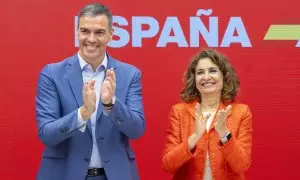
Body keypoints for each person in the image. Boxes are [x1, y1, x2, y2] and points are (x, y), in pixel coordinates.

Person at [36, 3, 145, 180]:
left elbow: (137, 130)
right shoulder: (52, 74)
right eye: (85, 31)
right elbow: (47, 134)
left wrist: (111, 105)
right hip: (64, 174)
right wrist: (83, 113)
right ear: (77, 33)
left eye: (99, 32)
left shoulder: (130, 74)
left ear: (111, 34)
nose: (91, 39)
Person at [161, 49, 252, 180]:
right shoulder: (179, 111)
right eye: (200, 72)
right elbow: (168, 165)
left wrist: (224, 134)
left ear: (224, 77)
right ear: (194, 80)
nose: (206, 77)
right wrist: (194, 137)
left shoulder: (241, 112)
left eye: (212, 71)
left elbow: (241, 165)